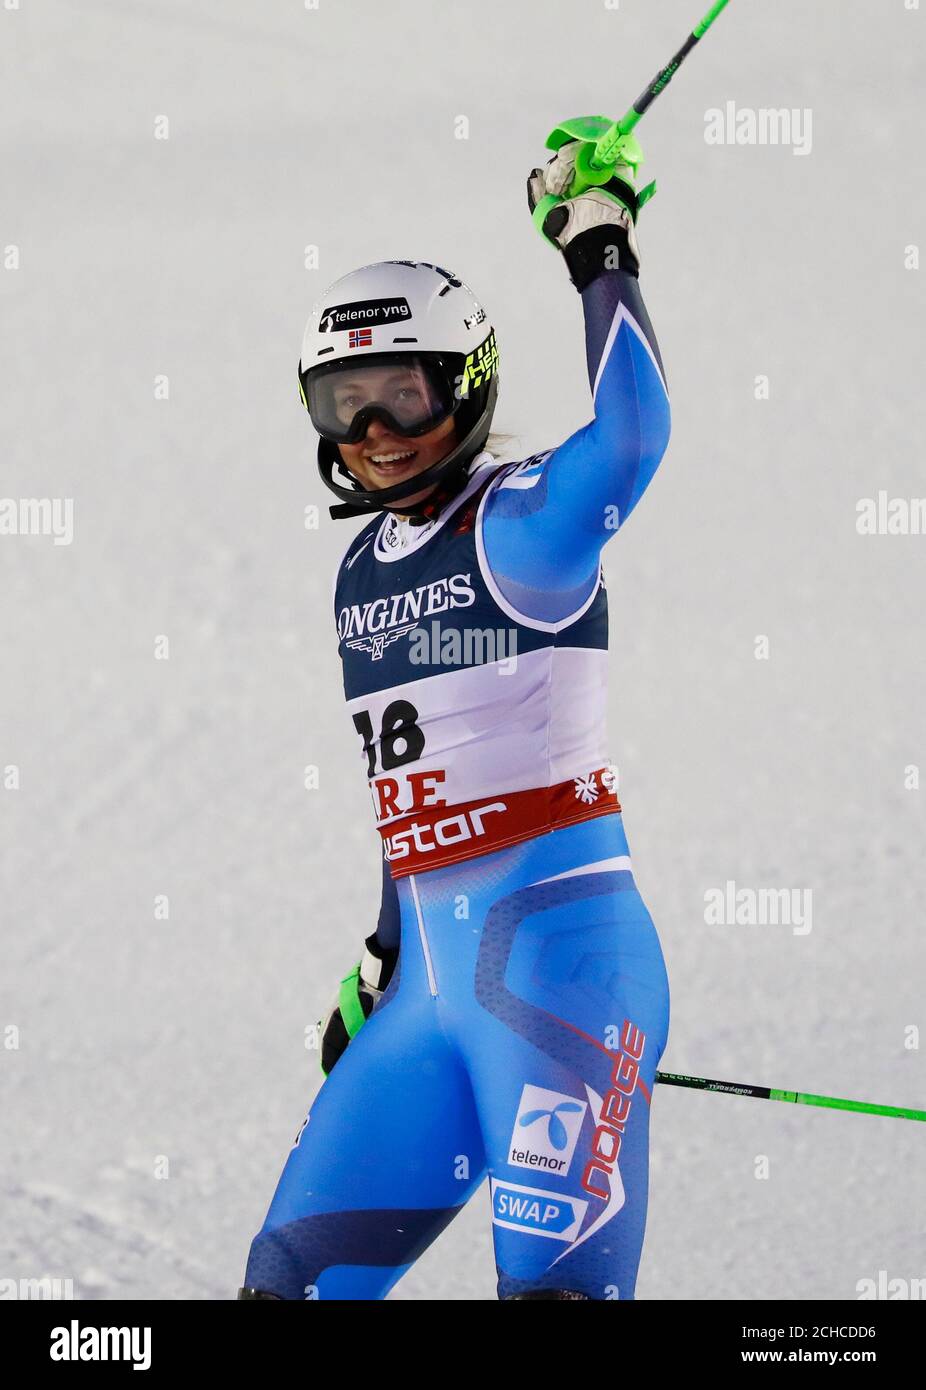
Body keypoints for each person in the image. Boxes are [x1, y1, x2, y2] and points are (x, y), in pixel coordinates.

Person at [239, 132, 672, 1301]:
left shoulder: (525, 526)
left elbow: (630, 440)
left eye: (403, 394)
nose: (374, 432)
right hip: (427, 995)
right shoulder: (361, 572)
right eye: (344, 402)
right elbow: (407, 791)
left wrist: (597, 241)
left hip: (560, 971)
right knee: (286, 1285)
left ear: (467, 382)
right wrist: (383, 956)